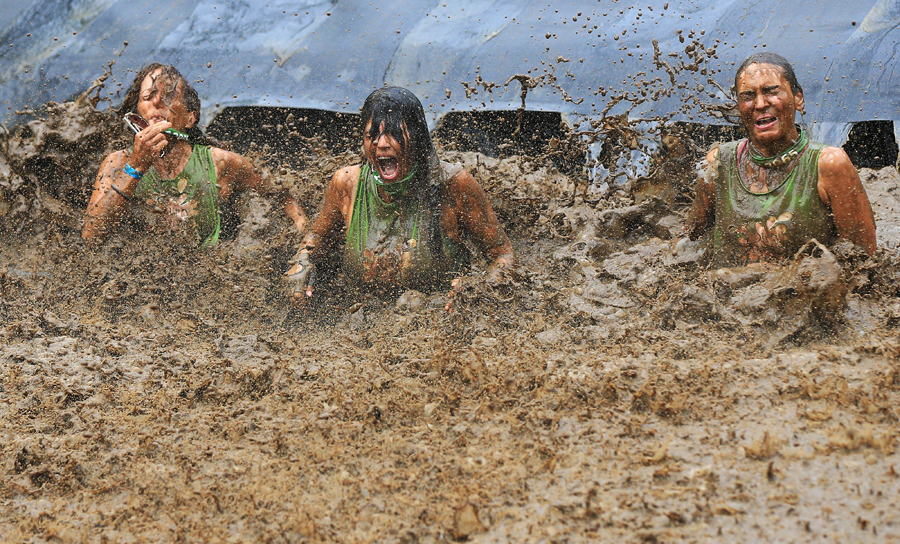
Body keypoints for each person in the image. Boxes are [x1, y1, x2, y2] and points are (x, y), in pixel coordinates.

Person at [286, 86, 514, 299]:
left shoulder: (453, 184)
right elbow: (317, 239)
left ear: (418, 137)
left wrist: (474, 290)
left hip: (435, 315)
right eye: (372, 135)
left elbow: (502, 255)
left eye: (394, 134)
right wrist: (302, 262)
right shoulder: (347, 183)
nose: (381, 144)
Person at [684, 52, 876, 266]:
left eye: (771, 91)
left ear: (798, 98)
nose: (760, 104)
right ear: (739, 107)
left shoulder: (829, 164)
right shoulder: (718, 164)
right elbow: (687, 245)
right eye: (748, 96)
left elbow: (864, 263)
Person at [83, 63, 306, 246]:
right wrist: (136, 167)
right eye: (148, 96)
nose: (157, 102)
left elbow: (281, 194)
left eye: (169, 95)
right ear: (137, 114)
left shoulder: (220, 162)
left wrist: (304, 246)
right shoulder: (118, 163)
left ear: (190, 118)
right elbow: (91, 237)